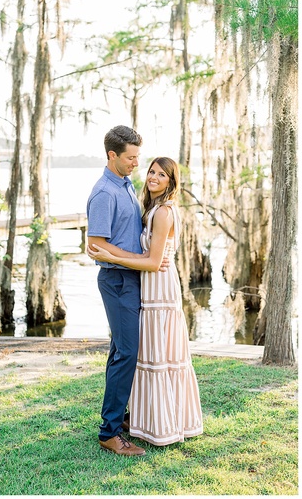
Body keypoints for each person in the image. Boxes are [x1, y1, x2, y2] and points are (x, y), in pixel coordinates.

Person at [88, 156, 203, 447]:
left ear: (170, 182)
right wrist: (108, 256)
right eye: (151, 171)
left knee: (154, 356)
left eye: (161, 175)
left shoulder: (163, 212)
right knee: (140, 355)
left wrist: (109, 257)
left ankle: (144, 422)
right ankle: (130, 420)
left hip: (158, 290)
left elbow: (153, 262)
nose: (152, 176)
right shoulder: (142, 203)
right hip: (145, 288)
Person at [86, 125, 147, 457]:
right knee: (127, 353)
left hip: (132, 279)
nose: (135, 163)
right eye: (130, 157)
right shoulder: (104, 193)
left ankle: (119, 416)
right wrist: (139, 258)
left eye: (137, 157)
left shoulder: (125, 184)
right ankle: (109, 432)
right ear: (112, 155)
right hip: (118, 281)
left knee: (120, 352)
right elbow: (95, 245)